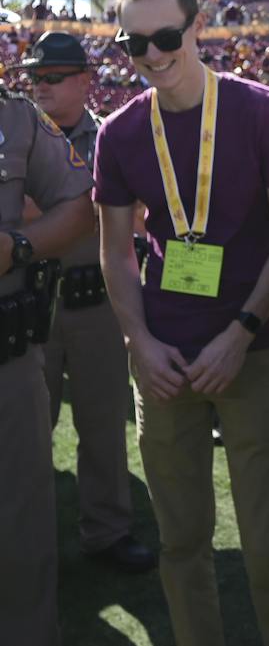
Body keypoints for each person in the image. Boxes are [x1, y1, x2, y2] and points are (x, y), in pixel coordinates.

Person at [94, 0, 269, 646]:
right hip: (163, 358)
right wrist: (139, 342)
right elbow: (117, 252)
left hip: (253, 349)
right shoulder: (120, 132)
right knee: (181, 540)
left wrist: (242, 332)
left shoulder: (260, 109)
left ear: (197, 26)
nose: (152, 55)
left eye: (165, 36)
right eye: (134, 44)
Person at [23, 32, 156, 572]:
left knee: (103, 427)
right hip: (33, 305)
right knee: (27, 431)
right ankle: (29, 541)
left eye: (53, 78)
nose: (41, 87)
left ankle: (107, 531)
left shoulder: (110, 138)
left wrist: (57, 208)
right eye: (34, 78)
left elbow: (135, 214)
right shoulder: (18, 141)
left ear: (84, 80)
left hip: (95, 301)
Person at [0, 83, 97, 646]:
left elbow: (79, 204)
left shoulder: (16, 117)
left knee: (18, 522)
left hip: (6, 368)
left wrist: (16, 245)